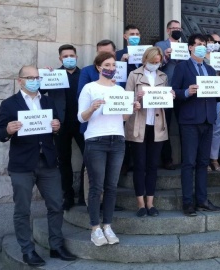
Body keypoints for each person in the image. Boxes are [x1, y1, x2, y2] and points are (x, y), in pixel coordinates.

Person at [0, 66, 76, 266]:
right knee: (22, 209)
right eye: (30, 77)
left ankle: (56, 246)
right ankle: (27, 250)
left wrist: (57, 127)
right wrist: (8, 130)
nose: (34, 80)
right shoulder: (9, 104)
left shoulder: (47, 101)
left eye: (37, 77)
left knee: (56, 205)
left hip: (47, 162)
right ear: (20, 80)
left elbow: (55, 127)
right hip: (22, 165)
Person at [78, 52, 140, 246]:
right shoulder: (89, 88)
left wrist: (132, 109)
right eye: (107, 64)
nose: (111, 68)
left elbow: (123, 118)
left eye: (114, 65)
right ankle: (95, 228)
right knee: (96, 186)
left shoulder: (120, 91)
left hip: (117, 140)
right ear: (98, 67)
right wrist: (92, 108)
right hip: (96, 140)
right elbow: (81, 117)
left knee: (112, 186)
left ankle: (107, 225)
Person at [172, 33, 220, 216]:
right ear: (190, 47)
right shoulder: (182, 67)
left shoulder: (210, 70)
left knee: (203, 162)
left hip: (208, 120)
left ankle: (202, 199)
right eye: (198, 44)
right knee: (189, 163)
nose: (202, 47)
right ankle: (188, 202)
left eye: (204, 44)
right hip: (189, 121)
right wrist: (187, 92)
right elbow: (174, 92)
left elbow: (214, 96)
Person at [125, 47, 175, 217]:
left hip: (157, 124)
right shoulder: (134, 75)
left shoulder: (163, 76)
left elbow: (164, 99)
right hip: (139, 123)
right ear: (146, 59)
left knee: (153, 166)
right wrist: (136, 98)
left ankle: (150, 203)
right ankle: (140, 204)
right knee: (139, 165)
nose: (155, 64)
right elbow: (126, 99)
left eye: (158, 62)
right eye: (153, 61)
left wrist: (170, 95)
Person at [41, 44, 85, 210]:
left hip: (82, 124)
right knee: (63, 160)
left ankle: (84, 195)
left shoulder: (84, 74)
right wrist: (43, 76)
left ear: (76, 57)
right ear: (60, 59)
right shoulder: (54, 75)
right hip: (61, 124)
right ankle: (68, 196)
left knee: (88, 158)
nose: (69, 58)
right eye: (65, 56)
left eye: (71, 55)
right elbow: (39, 91)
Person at [155, 20, 183, 170]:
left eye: (179, 28)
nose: (176, 30)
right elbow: (154, 65)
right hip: (165, 90)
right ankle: (167, 159)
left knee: (185, 125)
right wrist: (165, 56)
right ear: (168, 30)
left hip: (182, 91)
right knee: (164, 125)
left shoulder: (185, 46)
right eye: (173, 28)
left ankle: (187, 158)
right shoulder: (160, 45)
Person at [204, 34, 220, 171]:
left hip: (217, 96)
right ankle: (204, 160)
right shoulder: (199, 59)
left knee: (217, 129)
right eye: (210, 42)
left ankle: (214, 158)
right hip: (203, 96)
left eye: (216, 42)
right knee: (204, 129)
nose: (213, 44)